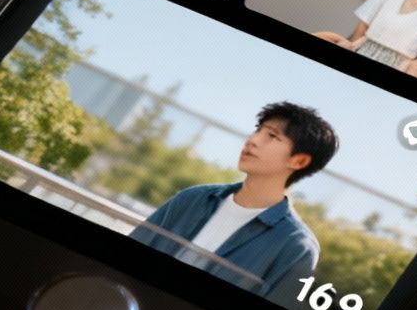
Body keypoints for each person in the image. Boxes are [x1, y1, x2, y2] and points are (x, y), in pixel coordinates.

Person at [128, 101, 332, 299]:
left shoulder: (296, 246)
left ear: (299, 161)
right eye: (258, 130)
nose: (252, 140)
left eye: (271, 136)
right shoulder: (193, 199)